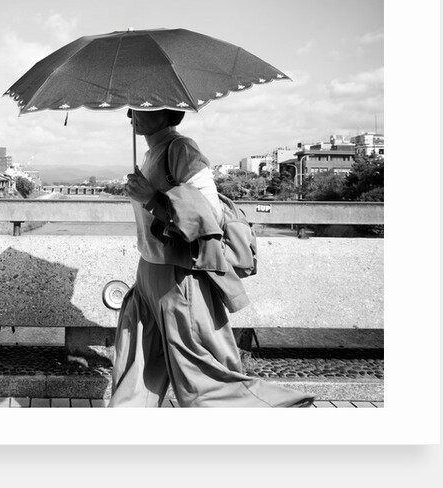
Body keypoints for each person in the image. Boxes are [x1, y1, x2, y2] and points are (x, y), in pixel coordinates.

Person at [108, 108, 316, 408]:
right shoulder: (150, 154)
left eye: (142, 106)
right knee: (137, 368)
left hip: (178, 278)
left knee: (202, 379)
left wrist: (152, 199)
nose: (131, 113)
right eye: (131, 107)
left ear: (168, 113)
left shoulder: (180, 149)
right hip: (149, 275)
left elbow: (211, 214)